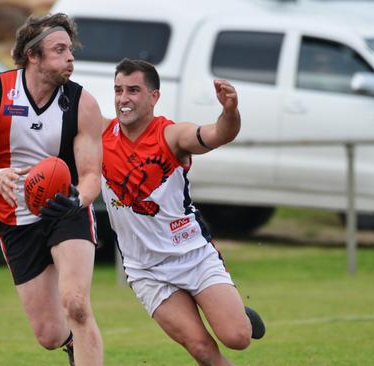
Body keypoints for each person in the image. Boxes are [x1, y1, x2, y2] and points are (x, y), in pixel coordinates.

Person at [0, 13, 104, 366]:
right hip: (15, 219)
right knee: (49, 334)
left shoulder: (82, 104)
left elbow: (92, 175)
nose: (70, 58)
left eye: (70, 49)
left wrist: (78, 198)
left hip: (67, 210)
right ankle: (74, 348)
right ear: (33, 56)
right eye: (59, 50)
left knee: (76, 304)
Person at [101, 58, 265, 366]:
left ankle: (234, 313)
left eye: (133, 90)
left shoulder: (172, 135)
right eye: (118, 90)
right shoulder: (101, 134)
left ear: (154, 96)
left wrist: (230, 111)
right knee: (202, 349)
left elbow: (218, 134)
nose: (123, 99)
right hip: (145, 268)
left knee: (237, 337)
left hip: (192, 255)